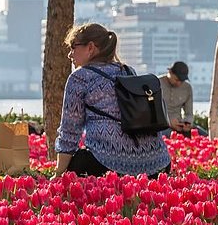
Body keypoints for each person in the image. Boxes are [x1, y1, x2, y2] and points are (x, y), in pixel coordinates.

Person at [54, 22, 171, 178]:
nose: (70, 54)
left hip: (108, 164)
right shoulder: (128, 71)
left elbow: (70, 131)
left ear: (90, 47)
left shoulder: (79, 78)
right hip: (158, 164)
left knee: (78, 165)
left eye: (73, 47)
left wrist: (59, 174)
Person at [160, 61, 194, 137]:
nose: (179, 83)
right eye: (177, 80)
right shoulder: (157, 84)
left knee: (204, 136)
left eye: (182, 81)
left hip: (179, 125)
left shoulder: (187, 88)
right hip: (162, 126)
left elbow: (189, 113)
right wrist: (169, 122)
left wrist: (188, 123)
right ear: (170, 72)